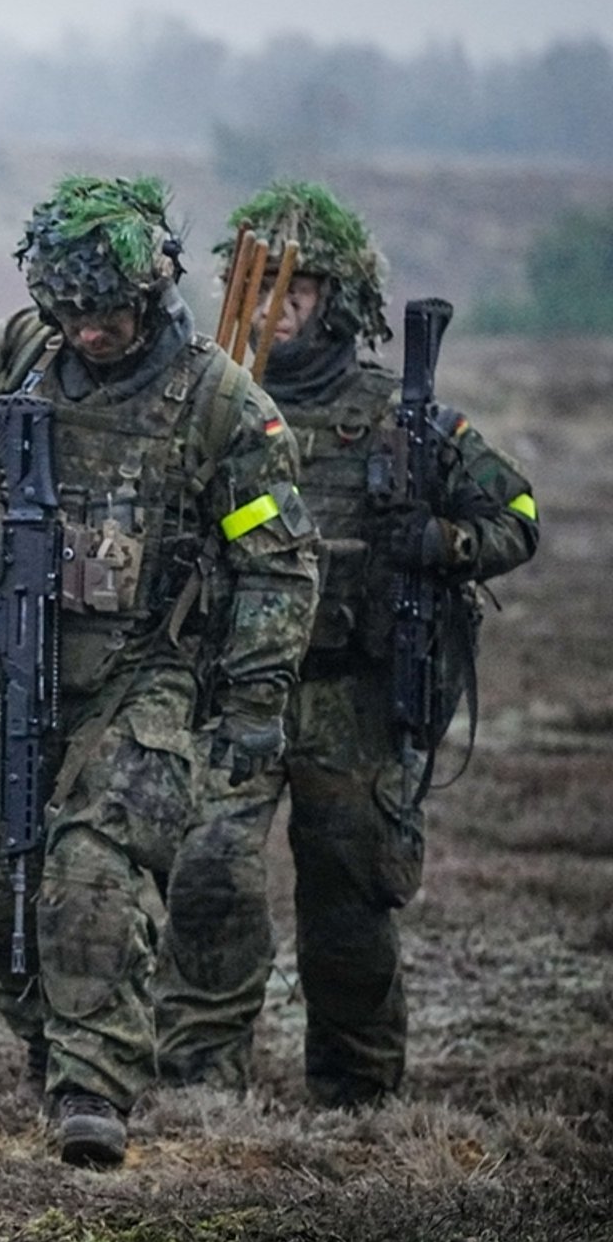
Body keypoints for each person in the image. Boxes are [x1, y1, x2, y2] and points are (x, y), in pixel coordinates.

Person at [0, 175, 319, 1166]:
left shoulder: (220, 403)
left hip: (151, 674)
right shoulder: (11, 352)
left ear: (153, 292)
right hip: (20, 654)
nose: (89, 332)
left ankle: (93, 1086)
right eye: (72, 312)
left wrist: (254, 700)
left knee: (89, 871)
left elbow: (277, 561)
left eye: (110, 313)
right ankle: (56, 1048)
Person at [156, 181, 539, 1106]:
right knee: (206, 877)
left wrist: (442, 543)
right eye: (262, 293)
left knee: (351, 898)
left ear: (339, 304)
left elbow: (517, 513)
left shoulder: (401, 421)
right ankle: (202, 1086)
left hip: (352, 698)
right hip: (235, 686)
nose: (275, 313)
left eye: (298, 294)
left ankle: (356, 1096)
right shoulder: (208, 407)